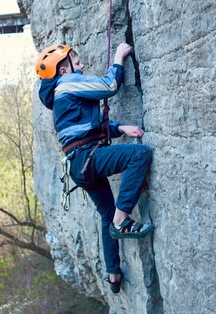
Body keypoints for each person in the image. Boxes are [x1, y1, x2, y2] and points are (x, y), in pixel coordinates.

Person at [35, 42, 154, 293]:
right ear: (63, 70)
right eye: (77, 63)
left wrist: (119, 128)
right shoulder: (66, 83)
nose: (82, 65)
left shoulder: (60, 94)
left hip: (80, 165)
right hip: (87, 158)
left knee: (105, 214)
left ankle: (112, 273)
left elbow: (85, 128)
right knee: (139, 155)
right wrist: (119, 57)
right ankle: (122, 221)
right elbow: (109, 86)